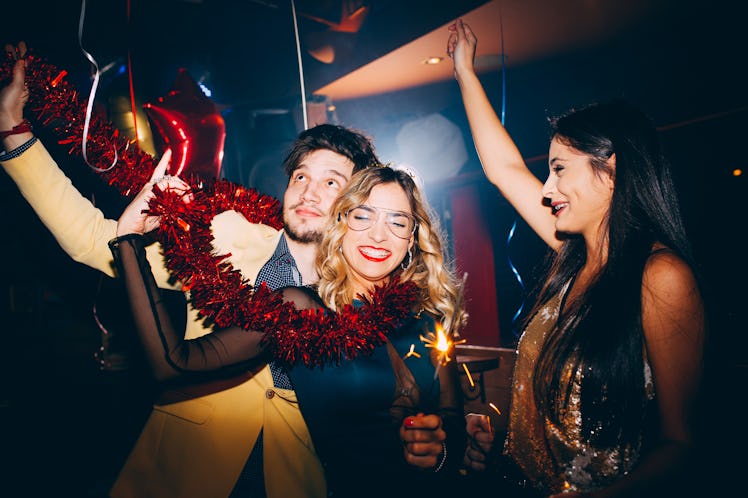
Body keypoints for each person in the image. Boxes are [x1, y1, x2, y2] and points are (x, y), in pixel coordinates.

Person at [0, 43, 380, 497]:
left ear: (355, 204)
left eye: (331, 182)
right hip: (184, 473)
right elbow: (90, 239)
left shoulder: (366, 287)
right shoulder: (225, 235)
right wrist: (13, 136)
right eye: (301, 176)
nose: (309, 191)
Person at [448, 19, 706, 498]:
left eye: (559, 170)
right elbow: (503, 170)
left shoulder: (661, 276)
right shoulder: (572, 260)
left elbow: (680, 444)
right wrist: (465, 72)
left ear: (611, 173)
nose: (546, 189)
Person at [110, 162, 469, 497]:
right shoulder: (300, 310)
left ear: (411, 239)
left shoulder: (428, 321)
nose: (378, 235)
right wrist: (128, 240)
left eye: (398, 222)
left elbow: (451, 421)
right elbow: (173, 363)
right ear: (340, 225)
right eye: (363, 216)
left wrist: (439, 451)